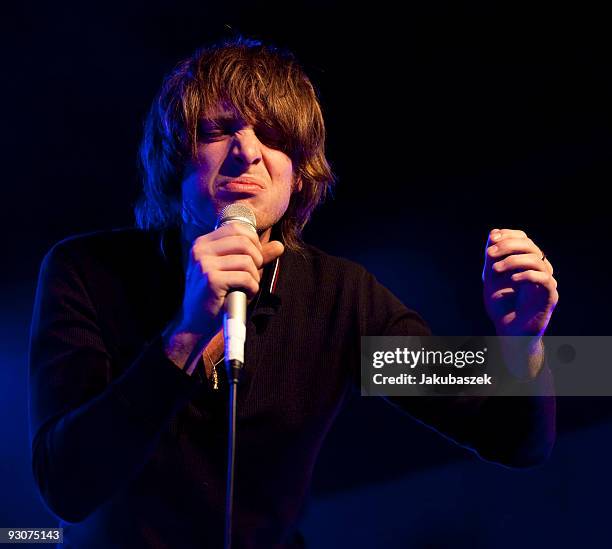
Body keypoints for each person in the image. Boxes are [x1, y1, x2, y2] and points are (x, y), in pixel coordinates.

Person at [28, 37, 558, 548]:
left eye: (275, 137)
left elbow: (513, 440)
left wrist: (524, 344)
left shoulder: (339, 298)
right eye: (218, 130)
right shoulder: (86, 271)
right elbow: (66, 487)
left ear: (299, 176)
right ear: (175, 157)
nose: (248, 151)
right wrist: (189, 333)